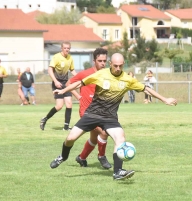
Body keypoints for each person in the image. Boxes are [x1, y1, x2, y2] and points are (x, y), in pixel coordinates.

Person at [49, 53, 177, 180]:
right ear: (110, 64)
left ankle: (117, 172)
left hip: (110, 117)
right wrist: (63, 91)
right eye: (115, 65)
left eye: (120, 66)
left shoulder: (128, 79)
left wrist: (164, 99)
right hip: (92, 114)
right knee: (70, 138)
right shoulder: (101, 74)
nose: (118, 68)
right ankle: (63, 156)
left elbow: (146, 89)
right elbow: (80, 83)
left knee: (120, 137)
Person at [66, 48, 111, 169]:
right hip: (86, 112)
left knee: (94, 139)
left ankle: (81, 158)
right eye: (100, 60)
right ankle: (102, 156)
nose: (102, 63)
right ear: (94, 61)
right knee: (104, 132)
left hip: (99, 111)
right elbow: (68, 83)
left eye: (104, 61)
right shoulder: (85, 74)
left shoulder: (107, 74)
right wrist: (78, 96)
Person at [40, 41, 77, 131]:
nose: (66, 49)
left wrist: (80, 77)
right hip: (57, 83)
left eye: (68, 48)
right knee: (59, 106)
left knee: (69, 103)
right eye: (65, 48)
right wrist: (55, 81)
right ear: (61, 48)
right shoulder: (56, 57)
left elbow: (72, 70)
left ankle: (66, 126)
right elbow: (50, 70)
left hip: (66, 83)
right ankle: (45, 119)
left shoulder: (70, 58)